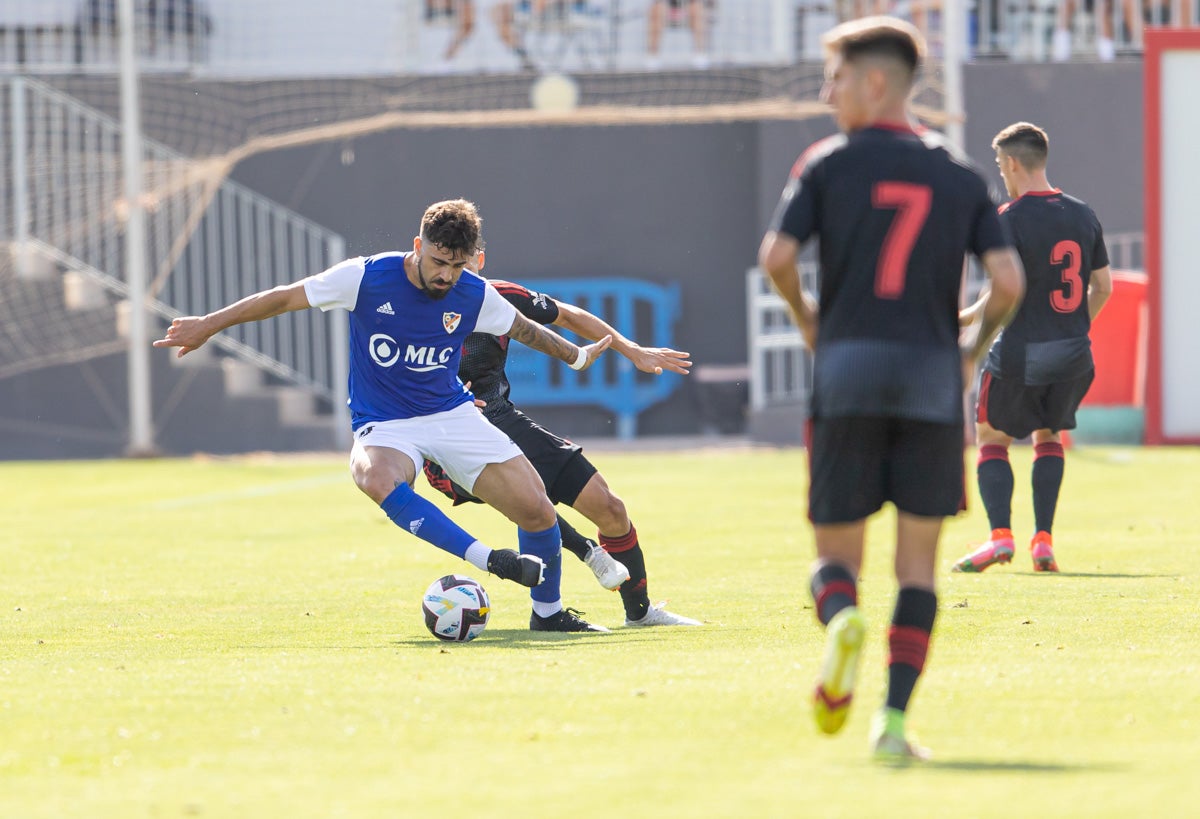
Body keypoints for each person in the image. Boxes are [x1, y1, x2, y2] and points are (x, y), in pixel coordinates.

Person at [153, 199, 615, 633]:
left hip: (452, 413)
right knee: (374, 477)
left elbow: (525, 330)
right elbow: (282, 298)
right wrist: (208, 324)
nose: (447, 275)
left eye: (458, 265)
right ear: (418, 247)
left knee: (535, 509)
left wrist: (575, 358)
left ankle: (549, 616)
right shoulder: (365, 277)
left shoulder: (474, 294)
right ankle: (490, 560)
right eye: (438, 261)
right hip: (386, 422)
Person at [757, 16, 1024, 761]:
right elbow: (1007, 280)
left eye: (834, 77)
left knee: (835, 559)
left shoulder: (828, 161)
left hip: (846, 370)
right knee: (916, 564)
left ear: (875, 83)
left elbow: (776, 255)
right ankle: (895, 725)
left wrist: (811, 324)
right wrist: (968, 352)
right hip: (930, 380)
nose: (825, 91)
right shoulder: (960, 173)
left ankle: (841, 617)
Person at [422, 274, 702, 628]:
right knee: (528, 503)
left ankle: (641, 613)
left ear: (479, 258)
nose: (455, 269)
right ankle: (574, 574)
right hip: (447, 439)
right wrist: (444, 401)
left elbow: (567, 315)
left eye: (467, 258)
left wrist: (633, 350)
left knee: (611, 508)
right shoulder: (416, 306)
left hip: (502, 418)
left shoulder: (498, 295)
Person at [952, 123, 1112, 575]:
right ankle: (1043, 541)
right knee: (1048, 435)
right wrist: (1074, 325)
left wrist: (972, 328)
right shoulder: (1084, 215)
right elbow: (1103, 287)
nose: (1002, 173)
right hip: (1074, 353)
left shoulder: (1009, 218)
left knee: (991, 437)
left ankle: (1000, 536)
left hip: (1021, 352)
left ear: (1012, 163)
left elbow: (1006, 285)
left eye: (1002, 165)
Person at [646, 0, 711, 68]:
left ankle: (700, 53)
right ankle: (653, 56)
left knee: (697, 8)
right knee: (657, 9)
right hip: (666, 10)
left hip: (687, 9)